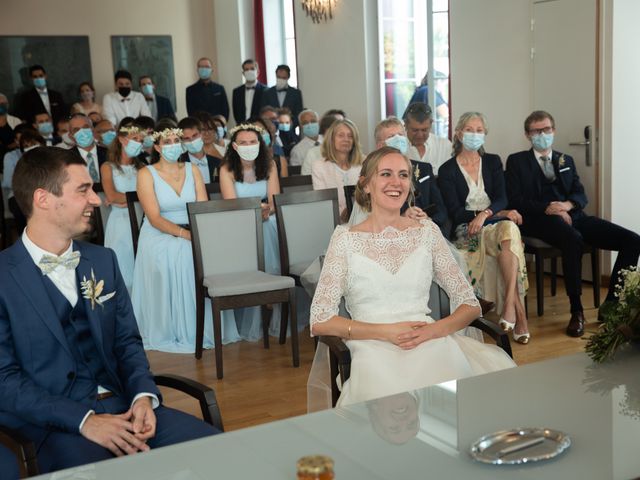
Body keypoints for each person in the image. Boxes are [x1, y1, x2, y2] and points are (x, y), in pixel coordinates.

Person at [0, 147, 218, 477]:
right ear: (43, 199)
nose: (97, 200)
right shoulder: (4, 276)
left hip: (125, 407)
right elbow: (5, 381)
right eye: (83, 190)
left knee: (216, 452)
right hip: (49, 427)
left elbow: (127, 343)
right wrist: (84, 421)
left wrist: (143, 397)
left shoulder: (103, 261)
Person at [309, 146, 515, 407]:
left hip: (430, 341)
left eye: (404, 175)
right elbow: (320, 320)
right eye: (386, 174)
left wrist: (433, 331)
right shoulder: (344, 240)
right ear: (366, 184)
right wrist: (385, 333)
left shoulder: (426, 233)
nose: (397, 182)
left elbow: (469, 304)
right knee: (388, 402)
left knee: (456, 398)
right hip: (372, 348)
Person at [506, 110, 640, 336]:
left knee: (633, 240)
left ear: (554, 130)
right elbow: (516, 199)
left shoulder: (565, 160)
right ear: (528, 135)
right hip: (539, 220)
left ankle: (611, 305)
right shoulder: (517, 161)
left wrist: (567, 206)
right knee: (573, 238)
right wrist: (549, 208)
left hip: (574, 216)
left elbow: (580, 194)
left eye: (546, 129)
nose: (542, 134)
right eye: (537, 131)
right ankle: (577, 310)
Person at [438, 112, 529, 344]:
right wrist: (486, 215)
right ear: (458, 134)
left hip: (492, 223)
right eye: (470, 129)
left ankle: (508, 305)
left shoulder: (492, 161)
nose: (475, 134)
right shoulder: (447, 169)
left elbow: (502, 197)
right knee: (508, 233)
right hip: (466, 229)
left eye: (479, 130)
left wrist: (487, 214)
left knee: (509, 230)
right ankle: (519, 316)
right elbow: (456, 211)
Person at [131, 126, 217, 352]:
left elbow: (202, 207)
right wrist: (185, 235)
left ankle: (204, 326)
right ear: (157, 147)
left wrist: (198, 233)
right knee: (182, 252)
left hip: (193, 225)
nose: (173, 145)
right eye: (167, 142)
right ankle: (178, 328)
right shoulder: (145, 173)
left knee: (204, 251)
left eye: (176, 140)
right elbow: (154, 217)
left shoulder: (192, 169)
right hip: (159, 231)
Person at [219, 123, 283, 339]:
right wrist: (255, 212)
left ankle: (274, 309)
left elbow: (275, 198)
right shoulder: (227, 169)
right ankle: (253, 306)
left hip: (267, 219)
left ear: (260, 143)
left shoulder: (270, 165)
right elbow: (231, 203)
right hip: (239, 223)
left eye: (253, 142)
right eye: (243, 142)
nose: (249, 146)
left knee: (271, 238)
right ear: (235, 147)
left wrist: (267, 210)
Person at [100, 124, 146, 292]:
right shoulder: (108, 167)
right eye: (135, 139)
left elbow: (150, 197)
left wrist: (124, 198)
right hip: (120, 223)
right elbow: (111, 196)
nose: (139, 143)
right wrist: (138, 197)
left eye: (141, 140)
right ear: (121, 139)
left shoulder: (142, 168)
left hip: (142, 219)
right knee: (124, 270)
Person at [311, 119, 364, 222]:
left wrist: (353, 211)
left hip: (362, 219)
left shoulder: (363, 164)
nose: (346, 139)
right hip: (331, 221)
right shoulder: (319, 166)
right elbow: (322, 202)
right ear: (331, 139)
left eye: (350, 136)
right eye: (341, 135)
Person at [3, 127, 44, 235]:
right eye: (26, 146)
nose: (30, 148)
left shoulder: (49, 158)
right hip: (20, 195)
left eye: (33, 144)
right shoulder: (17, 159)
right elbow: (8, 182)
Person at [404, 102, 451, 175]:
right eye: (415, 130)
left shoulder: (444, 146)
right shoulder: (397, 146)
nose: (419, 135)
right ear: (406, 125)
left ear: (431, 124)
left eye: (424, 130)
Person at [178, 116, 220, 183]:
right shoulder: (178, 164)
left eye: (195, 135)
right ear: (182, 141)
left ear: (201, 134)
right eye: (187, 138)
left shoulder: (217, 162)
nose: (192, 141)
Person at [301, 111, 344, 175]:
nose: (332, 137)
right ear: (323, 135)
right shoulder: (312, 153)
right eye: (329, 134)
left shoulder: (348, 151)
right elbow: (305, 179)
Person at [69, 113, 107, 183]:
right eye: (76, 130)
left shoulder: (109, 154)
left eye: (85, 127)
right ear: (71, 136)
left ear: (93, 129)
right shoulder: (66, 159)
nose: (82, 132)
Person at [232, 59, 267, 124]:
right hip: (242, 127)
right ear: (243, 73)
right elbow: (236, 113)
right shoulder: (236, 92)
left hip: (260, 127)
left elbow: (266, 113)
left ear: (258, 72)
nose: (249, 71)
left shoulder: (266, 90)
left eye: (252, 69)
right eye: (246, 69)